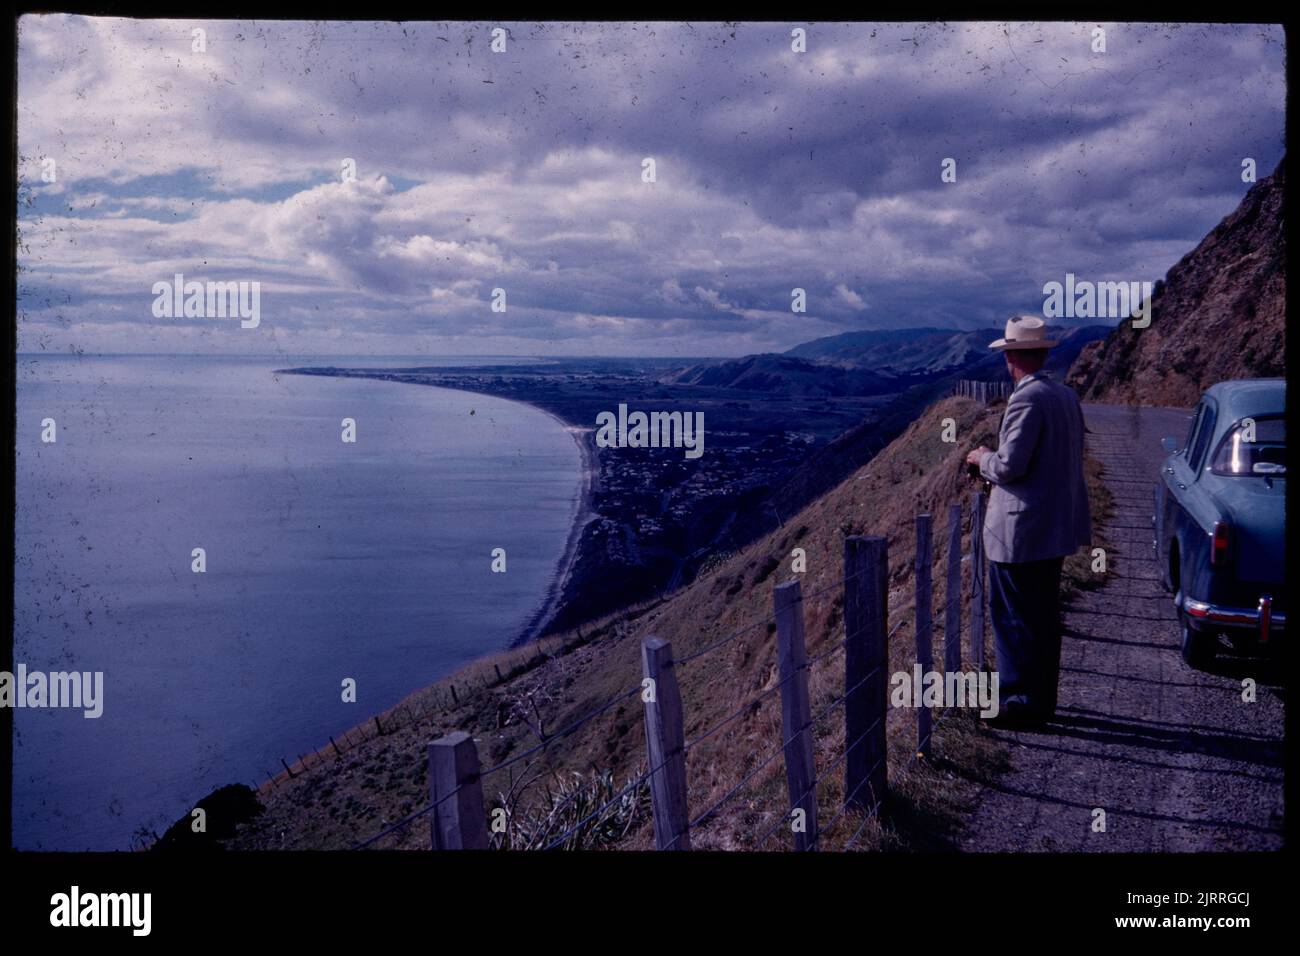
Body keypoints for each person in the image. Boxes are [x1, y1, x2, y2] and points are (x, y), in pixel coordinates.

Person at [964, 315, 1091, 729]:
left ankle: (1018, 701)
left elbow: (1011, 466)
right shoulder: (1066, 396)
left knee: (1012, 615)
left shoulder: (1026, 399)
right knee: (1041, 616)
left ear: (1012, 356)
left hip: (1019, 531)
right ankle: (1040, 701)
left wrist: (981, 458)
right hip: (1055, 526)